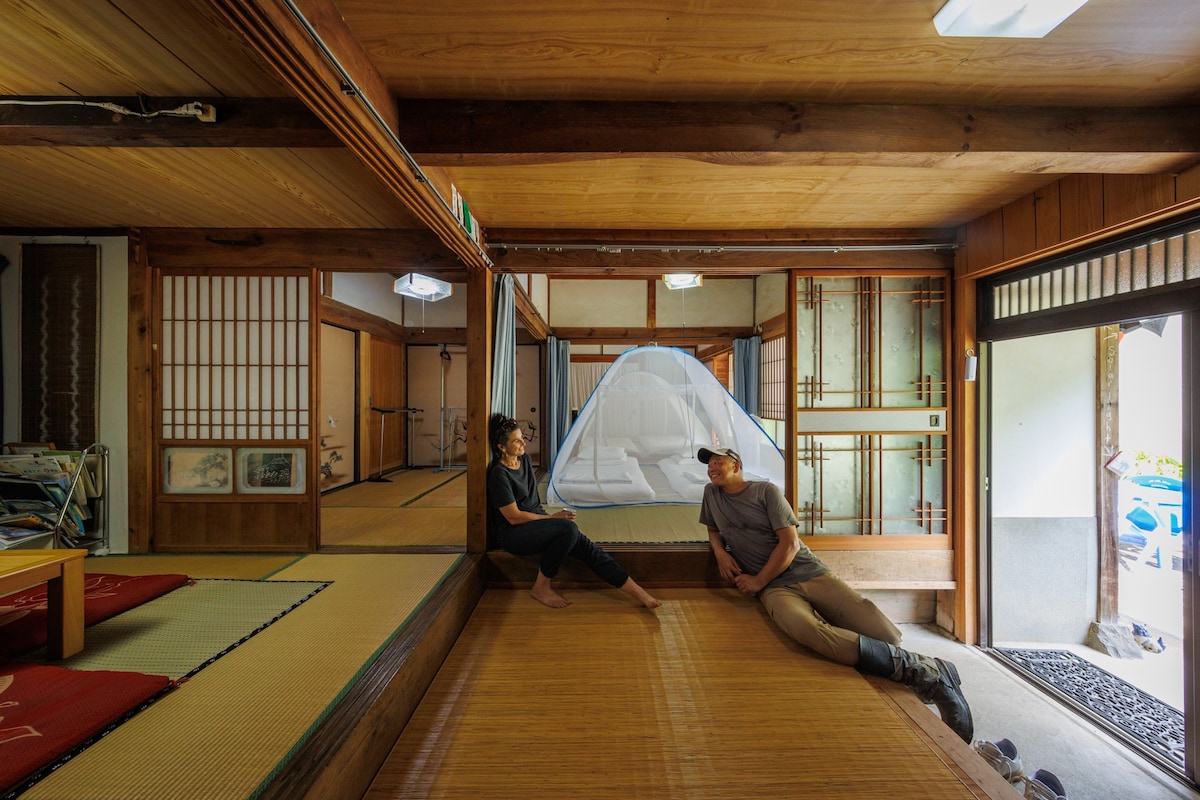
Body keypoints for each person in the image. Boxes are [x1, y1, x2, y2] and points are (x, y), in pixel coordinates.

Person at [697, 445, 973, 742]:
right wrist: (721, 555)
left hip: (807, 572)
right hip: (776, 588)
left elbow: (789, 545)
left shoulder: (766, 492)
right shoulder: (711, 495)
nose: (711, 467)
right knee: (805, 629)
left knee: (886, 636)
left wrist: (758, 581)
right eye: (708, 464)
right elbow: (713, 529)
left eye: (717, 461)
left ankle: (922, 669)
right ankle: (923, 672)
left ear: (736, 464)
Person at [487, 413, 661, 610]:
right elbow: (513, 517)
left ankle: (638, 592)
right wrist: (552, 520)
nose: (524, 444)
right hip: (512, 534)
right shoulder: (499, 475)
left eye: (523, 438)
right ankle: (541, 587)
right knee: (568, 529)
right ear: (501, 447)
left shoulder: (524, 460)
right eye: (517, 441)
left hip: (533, 524)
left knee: (584, 544)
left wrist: (550, 522)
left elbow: (533, 504)